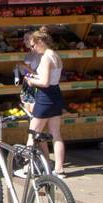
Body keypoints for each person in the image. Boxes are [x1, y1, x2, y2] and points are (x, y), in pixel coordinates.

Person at [21, 28, 66, 174]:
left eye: (33, 45)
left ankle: (28, 168)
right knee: (56, 134)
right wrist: (34, 78)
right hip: (56, 94)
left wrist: (31, 81)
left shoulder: (46, 57)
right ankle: (59, 169)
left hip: (45, 96)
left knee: (32, 133)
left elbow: (45, 82)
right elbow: (51, 79)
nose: (32, 48)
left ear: (40, 42)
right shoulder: (55, 55)